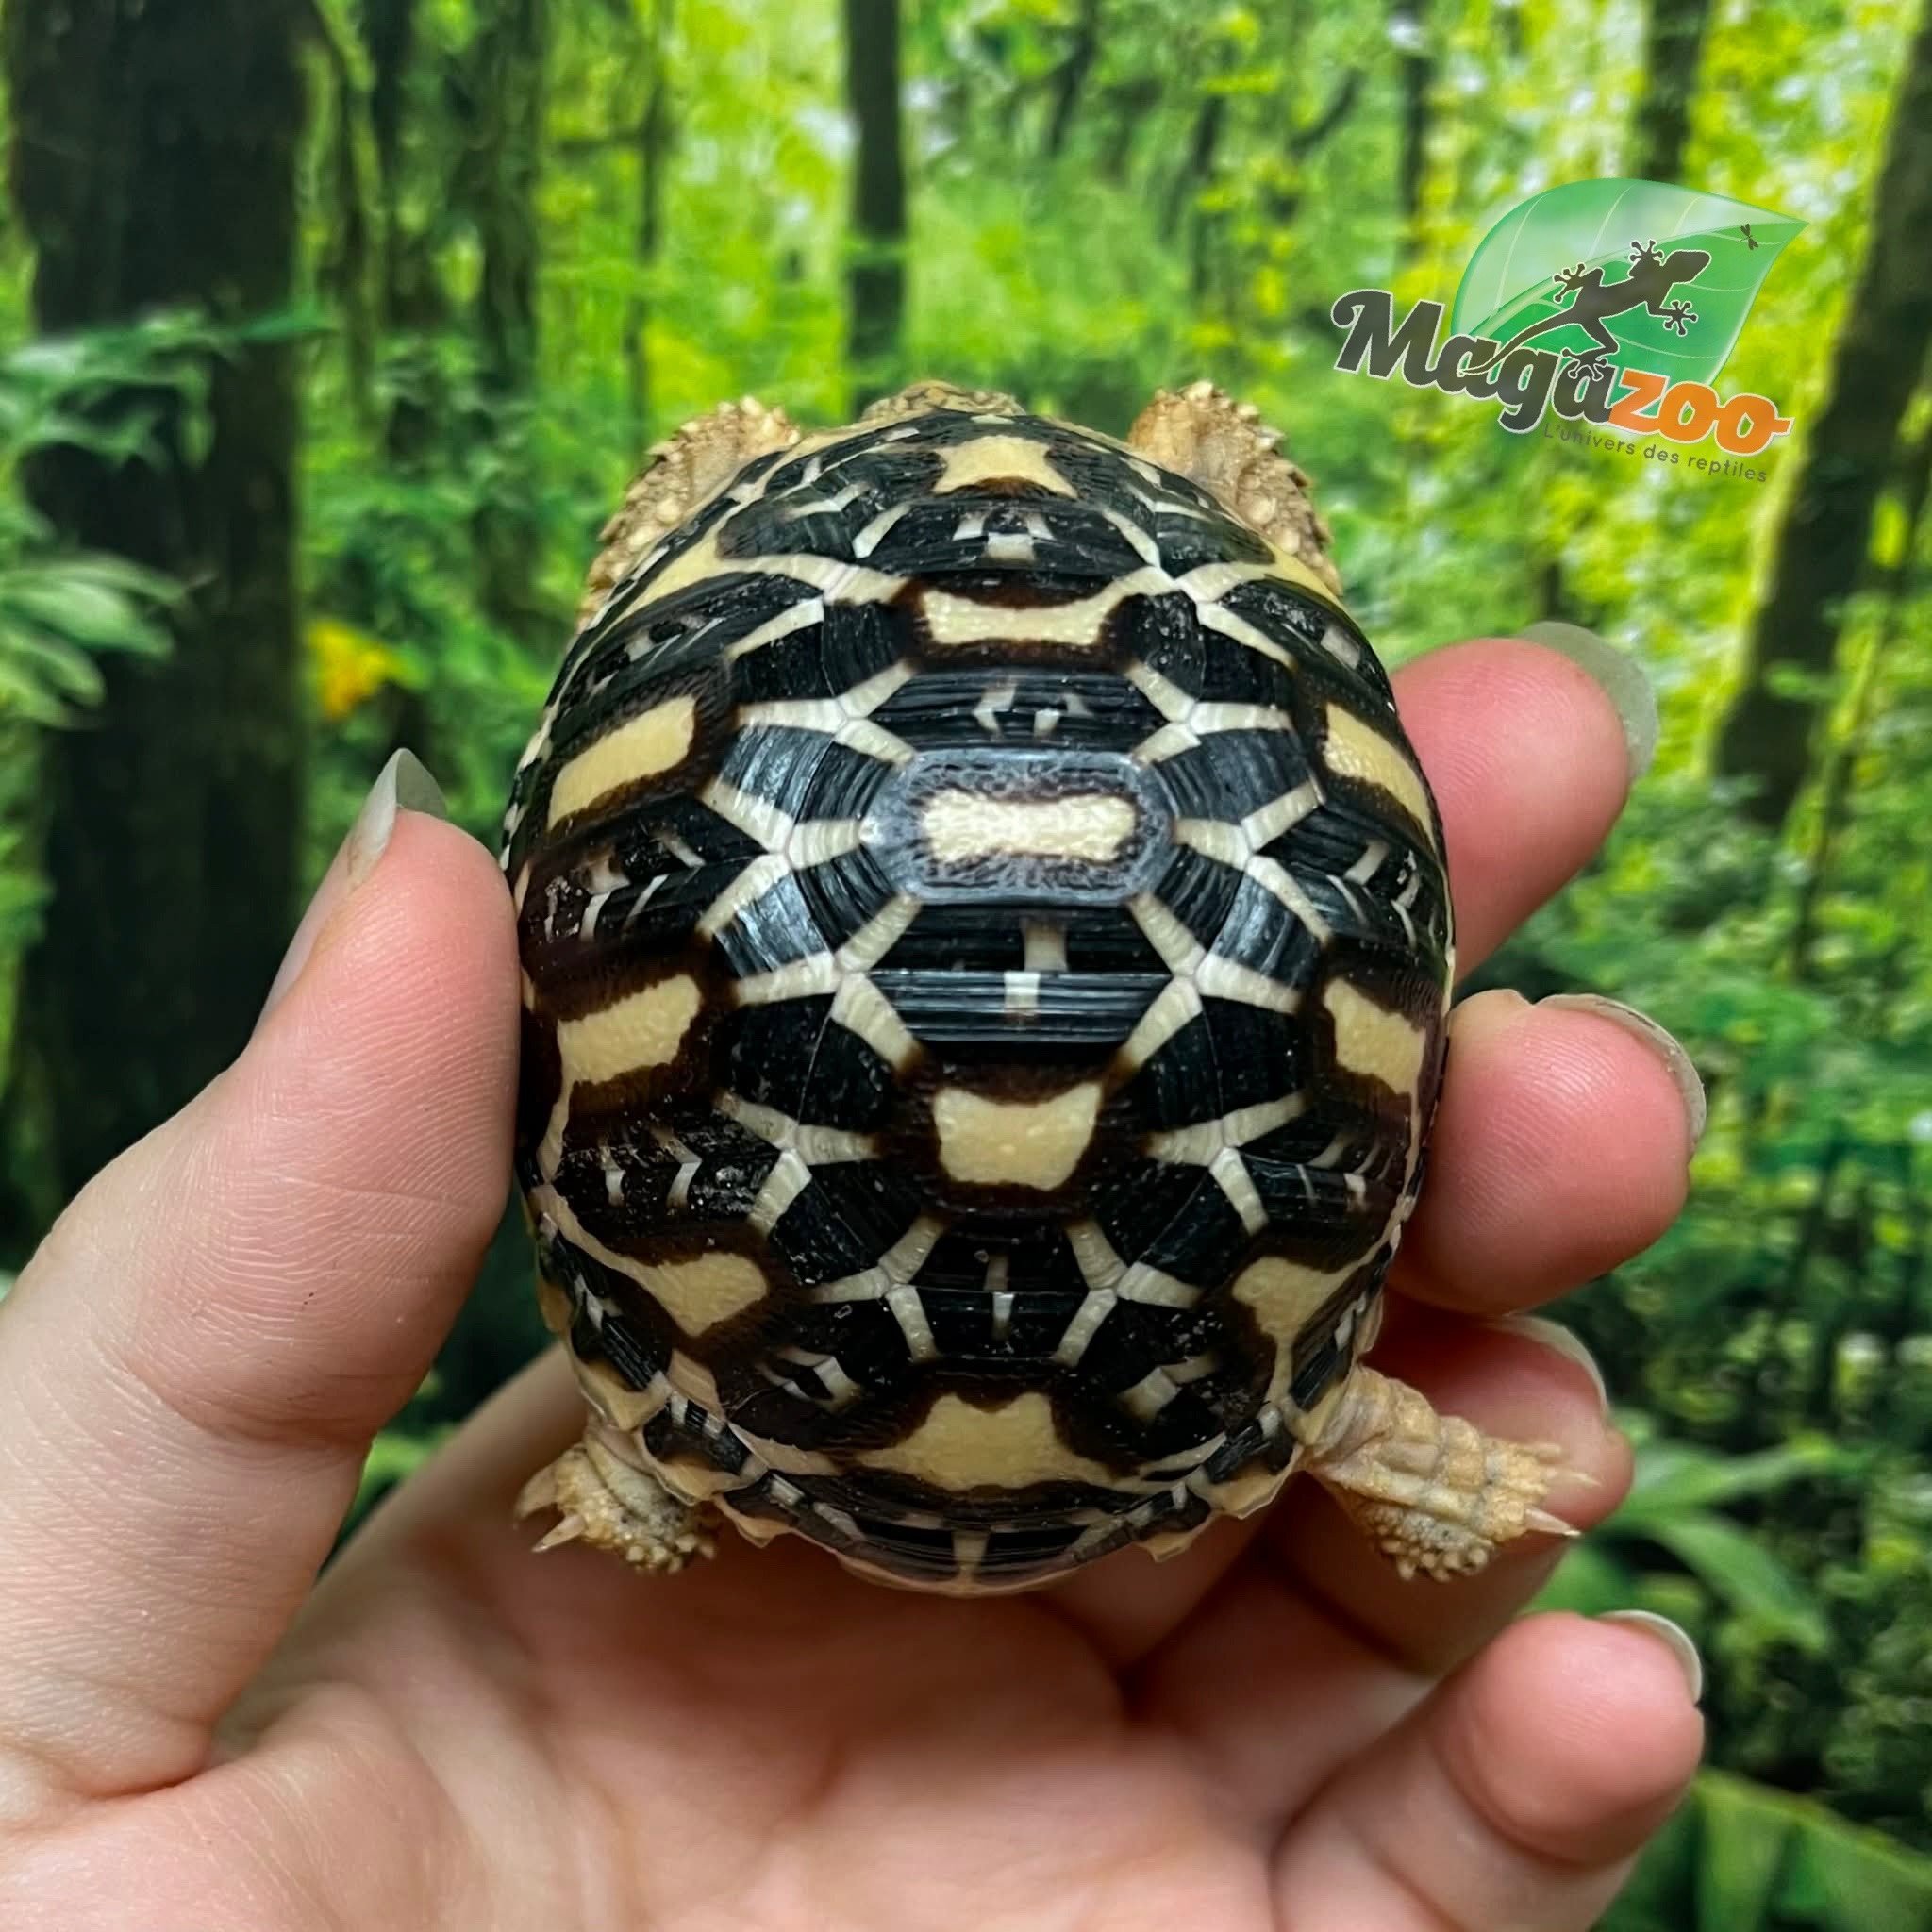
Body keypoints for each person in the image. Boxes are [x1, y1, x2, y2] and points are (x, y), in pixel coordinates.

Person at [0, 628, 1707, 1930]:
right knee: (1506, 1371)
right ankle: (1354, 1427)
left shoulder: (726, 584)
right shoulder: (1225, 574)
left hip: (738, 1400)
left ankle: (655, 1467)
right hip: (1211, 1390)